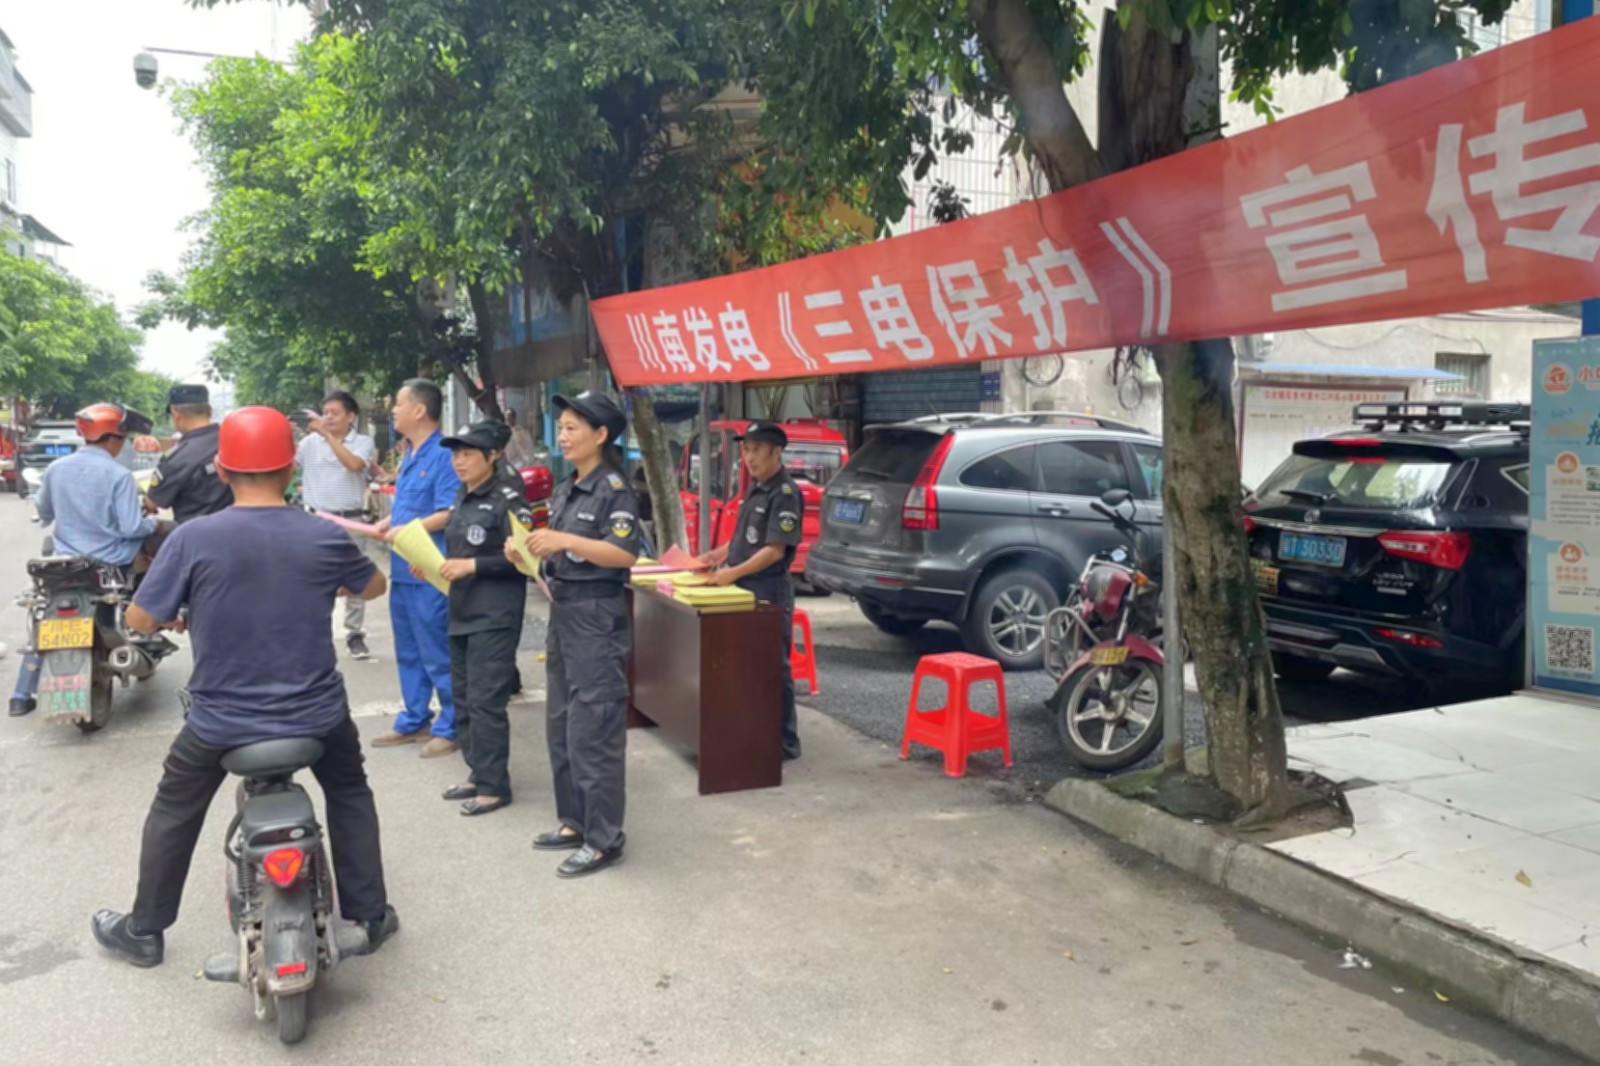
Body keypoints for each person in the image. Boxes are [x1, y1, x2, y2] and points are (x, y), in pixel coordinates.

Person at [89, 406, 398, 967]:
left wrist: (179, 609)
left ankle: (145, 930)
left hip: (221, 723)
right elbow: (374, 587)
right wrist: (325, 581)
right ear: (291, 471)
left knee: (174, 807)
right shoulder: (322, 534)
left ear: (224, 471)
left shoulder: (193, 538)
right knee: (350, 792)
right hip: (317, 716)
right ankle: (372, 915)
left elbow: (139, 620)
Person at [510, 390, 640, 878]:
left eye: (572, 428)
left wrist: (564, 538)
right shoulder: (568, 487)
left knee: (595, 728)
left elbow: (624, 553)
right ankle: (575, 821)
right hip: (564, 611)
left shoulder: (614, 489)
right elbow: (558, 553)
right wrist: (526, 552)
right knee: (562, 723)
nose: (562, 436)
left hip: (596, 616)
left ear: (601, 434)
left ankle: (604, 840)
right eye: (561, 427)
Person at [10, 403, 163, 717]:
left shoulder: (56, 469)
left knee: (44, 611)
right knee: (152, 560)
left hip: (67, 563)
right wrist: (153, 523)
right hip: (111, 565)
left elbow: (44, 513)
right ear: (114, 439)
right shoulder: (119, 475)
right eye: (122, 438)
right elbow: (131, 528)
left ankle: (21, 694)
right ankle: (148, 629)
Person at [431, 420, 531, 817]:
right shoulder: (463, 496)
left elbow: (525, 561)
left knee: (487, 700)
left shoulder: (509, 500)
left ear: (493, 456)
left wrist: (472, 566)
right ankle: (478, 771)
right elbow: (459, 551)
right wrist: (435, 565)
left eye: (468, 453)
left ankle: (493, 787)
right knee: (464, 697)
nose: (459, 461)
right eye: (456, 454)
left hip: (494, 613)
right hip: (461, 609)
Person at [370, 379, 462, 758]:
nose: (393, 410)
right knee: (408, 650)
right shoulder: (409, 452)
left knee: (437, 651)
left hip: (428, 570)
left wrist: (406, 529)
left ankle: (452, 724)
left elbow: (448, 512)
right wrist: (388, 522)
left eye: (399, 403)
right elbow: (410, 507)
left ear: (420, 410)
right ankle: (414, 718)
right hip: (403, 568)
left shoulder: (444, 454)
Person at [702, 422, 804, 761]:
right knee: (745, 664)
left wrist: (732, 573)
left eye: (757, 450)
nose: (749, 457)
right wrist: (714, 556)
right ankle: (753, 730)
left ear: (777, 452)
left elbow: (774, 551)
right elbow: (742, 539)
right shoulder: (754, 489)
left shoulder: (784, 494)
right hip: (743, 588)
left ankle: (784, 741)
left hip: (767, 591)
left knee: (772, 667)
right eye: (746, 450)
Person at [298, 390, 383, 661]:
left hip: (351, 519)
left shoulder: (362, 442)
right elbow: (288, 465)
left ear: (351, 417)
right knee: (313, 575)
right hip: (316, 519)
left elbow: (354, 465)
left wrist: (328, 436)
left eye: (335, 413)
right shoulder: (309, 443)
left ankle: (354, 633)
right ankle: (313, 629)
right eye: (325, 413)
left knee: (354, 576)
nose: (328, 418)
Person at [145, 383, 234, 524]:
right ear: (210, 411)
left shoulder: (178, 457)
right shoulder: (234, 441)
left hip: (195, 533)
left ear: (175, 414)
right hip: (239, 526)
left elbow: (152, 503)